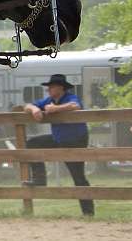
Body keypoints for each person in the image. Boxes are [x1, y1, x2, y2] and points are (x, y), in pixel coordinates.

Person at [24, 74, 95, 216]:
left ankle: (88, 212)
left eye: (51, 87)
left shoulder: (69, 98)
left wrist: (55, 109)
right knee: (32, 144)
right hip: (59, 139)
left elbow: (75, 106)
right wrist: (34, 109)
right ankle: (39, 179)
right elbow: (27, 105)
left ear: (60, 88)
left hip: (75, 142)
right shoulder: (49, 100)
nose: (48, 90)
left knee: (78, 176)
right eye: (48, 87)